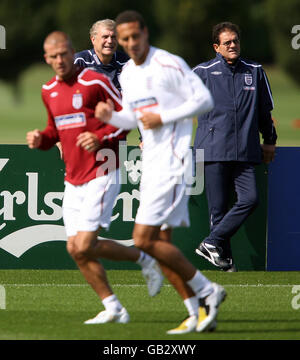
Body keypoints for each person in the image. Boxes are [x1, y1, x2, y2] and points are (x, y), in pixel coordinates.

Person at [95, 10, 226, 334]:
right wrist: (111, 116)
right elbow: (136, 119)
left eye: (133, 37)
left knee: (143, 239)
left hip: (173, 162)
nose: (128, 43)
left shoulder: (169, 63)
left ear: (145, 33)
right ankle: (195, 312)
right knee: (162, 243)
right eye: (123, 39)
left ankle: (208, 290)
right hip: (152, 163)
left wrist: (165, 116)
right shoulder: (127, 74)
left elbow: (205, 100)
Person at [26, 31, 164, 325]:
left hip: (102, 172)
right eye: (54, 56)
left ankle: (146, 259)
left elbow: (127, 119)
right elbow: (55, 131)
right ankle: (113, 307)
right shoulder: (48, 90)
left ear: (72, 51)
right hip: (72, 179)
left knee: (85, 244)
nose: (60, 60)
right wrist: (41, 139)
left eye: (64, 54)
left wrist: (100, 137)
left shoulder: (95, 81)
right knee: (75, 248)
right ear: (46, 59)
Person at [193, 22, 277, 271]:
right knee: (217, 210)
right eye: (227, 42)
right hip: (213, 149)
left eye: (235, 41)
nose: (233, 45)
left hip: (246, 151)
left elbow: (265, 112)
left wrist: (270, 141)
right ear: (216, 47)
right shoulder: (202, 72)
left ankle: (211, 242)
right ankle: (225, 263)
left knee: (250, 199)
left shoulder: (255, 70)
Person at [74, 19, 129, 92]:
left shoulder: (126, 62)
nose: (110, 41)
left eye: (113, 37)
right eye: (105, 37)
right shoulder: (80, 61)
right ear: (93, 39)